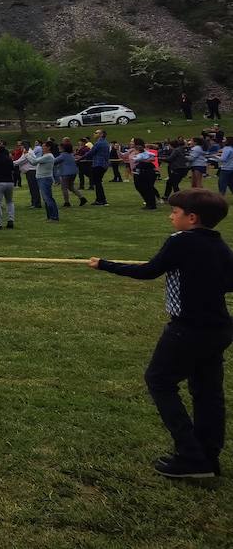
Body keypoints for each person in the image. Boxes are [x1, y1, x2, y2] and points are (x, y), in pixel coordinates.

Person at [89, 188, 233, 478]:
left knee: (159, 380)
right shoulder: (220, 246)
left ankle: (190, 455)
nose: (170, 216)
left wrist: (104, 265)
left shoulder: (181, 241)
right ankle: (207, 456)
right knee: (207, 391)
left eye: (175, 213)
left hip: (188, 328)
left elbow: (149, 271)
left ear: (191, 218)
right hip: (218, 328)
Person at [27, 140, 60, 221]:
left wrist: (27, 155)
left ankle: (54, 217)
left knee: (48, 198)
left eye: (44, 146)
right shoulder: (46, 156)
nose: (42, 147)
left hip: (44, 179)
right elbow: (36, 160)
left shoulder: (48, 156)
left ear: (48, 147)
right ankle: (50, 216)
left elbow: (34, 162)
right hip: (42, 178)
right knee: (46, 198)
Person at [130, 138, 160, 210]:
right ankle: (148, 203)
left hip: (146, 170)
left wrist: (142, 159)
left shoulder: (143, 150)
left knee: (147, 187)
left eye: (132, 141)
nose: (130, 142)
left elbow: (152, 158)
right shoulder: (131, 150)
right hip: (137, 170)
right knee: (139, 187)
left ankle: (151, 204)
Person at [57, 139, 87, 208]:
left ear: (64, 149)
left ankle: (67, 202)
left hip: (66, 173)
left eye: (60, 147)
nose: (59, 148)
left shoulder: (63, 155)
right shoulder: (71, 155)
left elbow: (54, 161)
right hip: (73, 173)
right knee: (71, 187)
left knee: (64, 188)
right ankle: (82, 198)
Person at [90, 130, 112, 206]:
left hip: (98, 164)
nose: (94, 134)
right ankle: (101, 199)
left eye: (96, 133)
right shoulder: (106, 142)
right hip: (104, 165)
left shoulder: (99, 143)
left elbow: (91, 152)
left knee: (97, 183)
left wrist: (79, 158)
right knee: (98, 182)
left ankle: (101, 200)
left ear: (101, 134)